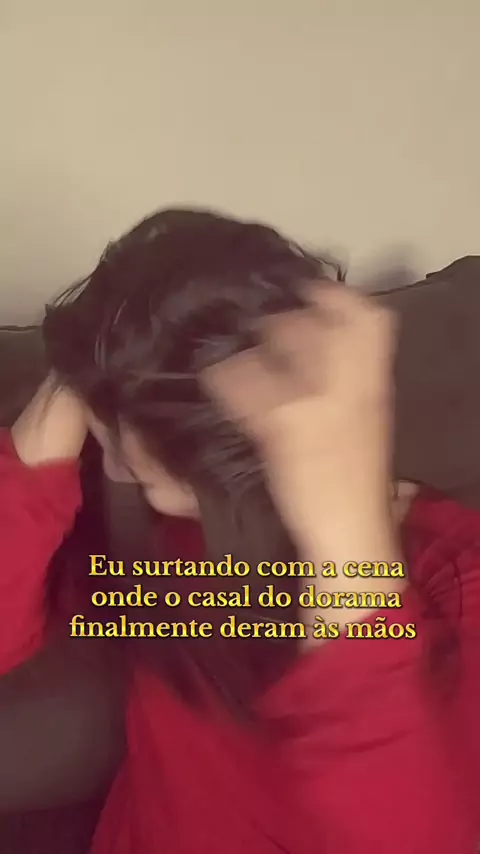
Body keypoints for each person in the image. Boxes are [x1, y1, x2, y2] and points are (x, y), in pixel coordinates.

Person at [1, 208, 479, 853]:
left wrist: (346, 549)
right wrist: (72, 382)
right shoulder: (157, 543)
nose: (105, 453)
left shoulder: (456, 575)